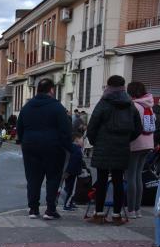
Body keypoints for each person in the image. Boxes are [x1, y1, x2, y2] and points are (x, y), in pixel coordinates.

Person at [86, 75, 142, 225]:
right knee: (118, 181)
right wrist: (125, 139)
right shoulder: (130, 105)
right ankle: (117, 215)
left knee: (102, 180)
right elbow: (138, 128)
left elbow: (92, 125)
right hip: (122, 147)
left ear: (108, 86)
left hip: (103, 147)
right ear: (123, 86)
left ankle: (99, 214)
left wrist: (94, 141)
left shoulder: (104, 103)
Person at [17, 78, 72, 220]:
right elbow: (65, 130)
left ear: (37, 90)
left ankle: (33, 209)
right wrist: (69, 148)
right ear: (52, 90)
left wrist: (24, 142)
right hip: (53, 147)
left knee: (33, 179)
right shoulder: (57, 107)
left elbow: (20, 128)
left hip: (30, 146)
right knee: (53, 178)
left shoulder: (27, 107)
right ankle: (50, 210)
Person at [126, 82, 156, 219]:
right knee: (138, 176)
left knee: (131, 176)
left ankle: (131, 209)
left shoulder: (135, 106)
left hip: (135, 143)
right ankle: (137, 210)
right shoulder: (149, 105)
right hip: (148, 143)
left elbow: (130, 126)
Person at [60, 133, 85, 211]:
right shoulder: (76, 149)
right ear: (76, 139)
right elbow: (74, 161)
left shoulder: (73, 148)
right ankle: (67, 204)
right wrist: (69, 171)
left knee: (69, 187)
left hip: (71, 171)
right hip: (72, 172)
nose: (83, 142)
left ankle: (69, 202)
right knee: (71, 189)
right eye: (82, 140)